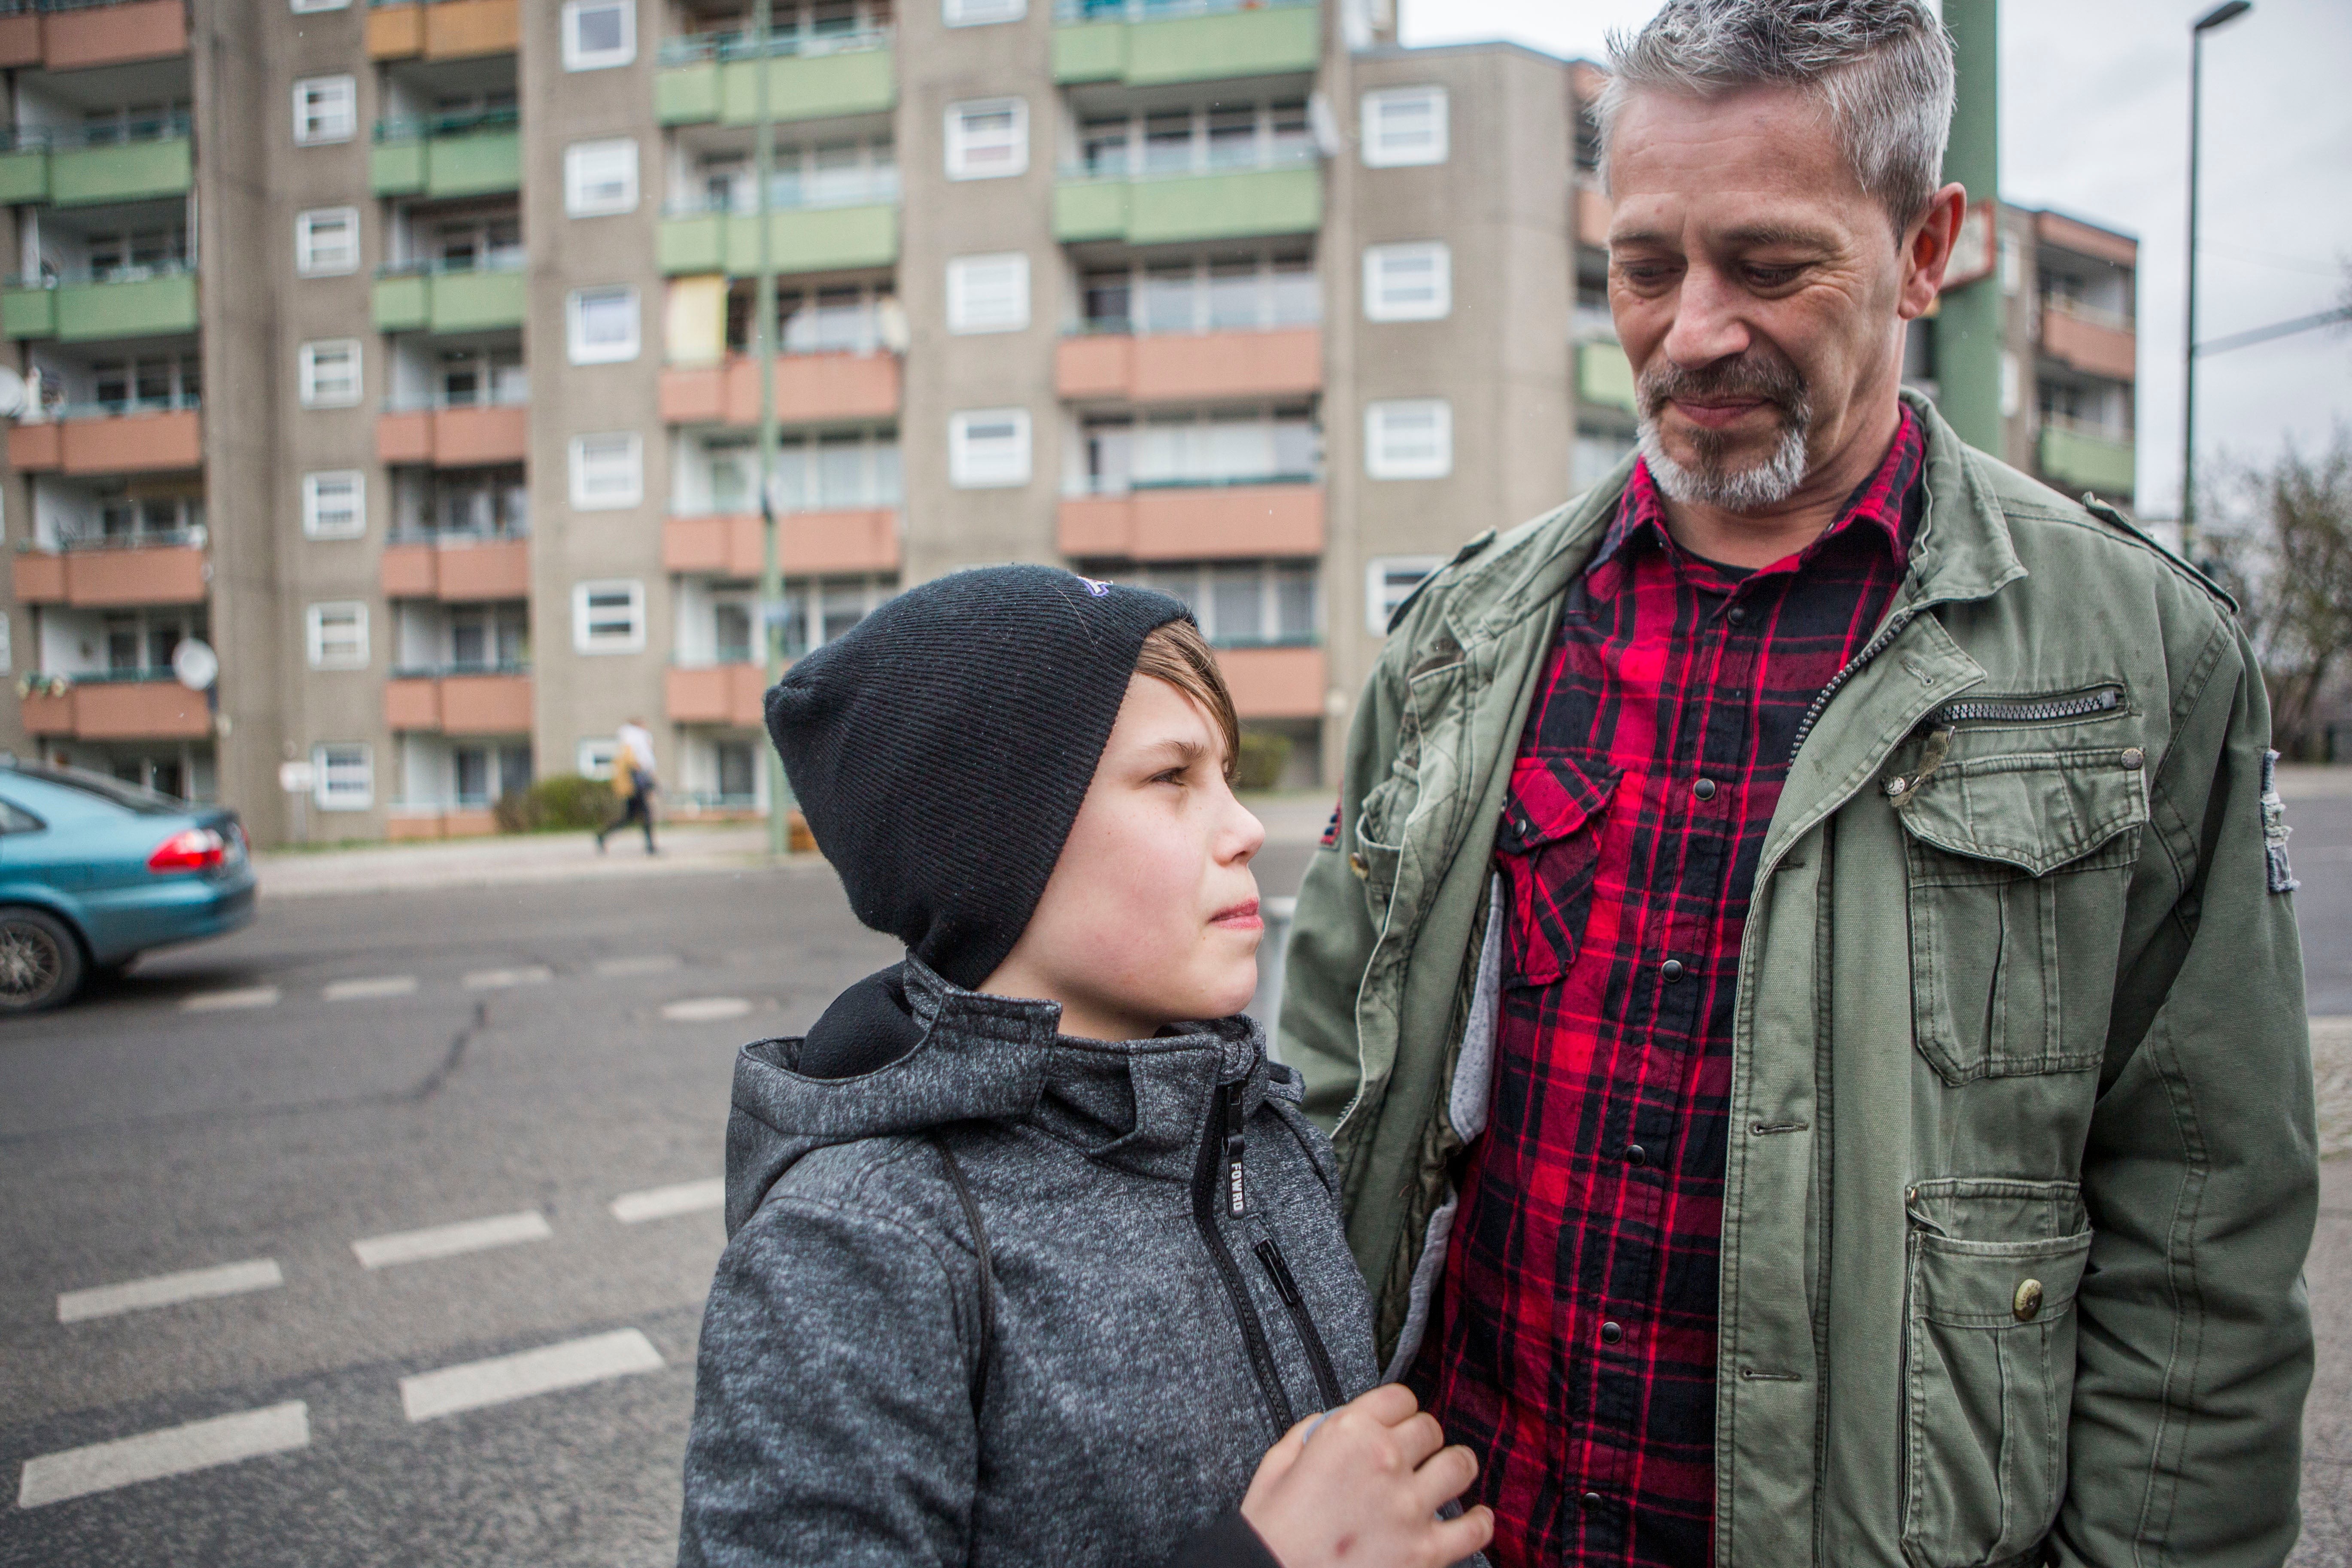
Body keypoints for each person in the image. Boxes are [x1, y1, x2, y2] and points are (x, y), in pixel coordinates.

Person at [1276, 3, 2317, 1566]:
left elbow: (2207, 1228)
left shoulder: (2144, 657)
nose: (1692, 330)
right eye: (1644, 265)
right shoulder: (1462, 638)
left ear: (1925, 248)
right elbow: (1321, 1102)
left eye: (1768, 266)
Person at [678, 565, 1493, 1568]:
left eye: (1228, 775)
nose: (1243, 827)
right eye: (1172, 777)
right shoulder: (856, 1245)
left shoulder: (1263, 1135)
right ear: (996, 839)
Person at [596, 717, 657, 854]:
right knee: (645, 814)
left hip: (634, 784)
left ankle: (603, 836)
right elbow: (634, 762)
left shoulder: (630, 739)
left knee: (631, 816)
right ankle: (650, 846)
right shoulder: (633, 740)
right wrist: (646, 777)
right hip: (635, 784)